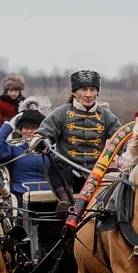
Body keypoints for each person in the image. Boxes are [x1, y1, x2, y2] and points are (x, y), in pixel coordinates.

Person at [30, 70, 122, 210]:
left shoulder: (107, 116)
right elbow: (43, 134)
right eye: (84, 89)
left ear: (97, 92)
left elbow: (121, 138)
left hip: (96, 172)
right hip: (67, 173)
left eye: (92, 89)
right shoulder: (61, 113)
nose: (88, 94)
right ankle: (65, 202)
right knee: (54, 165)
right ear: (74, 92)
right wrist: (40, 141)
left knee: (116, 174)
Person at [0, 108, 49, 203]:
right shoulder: (14, 151)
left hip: (50, 197)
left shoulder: (51, 152)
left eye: (34, 127)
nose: (29, 131)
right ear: (20, 130)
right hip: (21, 199)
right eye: (26, 128)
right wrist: (9, 125)